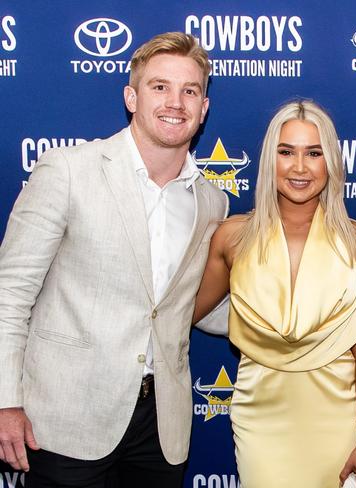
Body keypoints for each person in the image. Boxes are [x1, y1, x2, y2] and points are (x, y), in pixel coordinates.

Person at [0, 32, 228, 487]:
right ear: (131, 96)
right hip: (67, 420)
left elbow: (191, 305)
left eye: (190, 91)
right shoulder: (67, 170)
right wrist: (6, 400)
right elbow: (11, 294)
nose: (175, 102)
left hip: (161, 425)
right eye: (159, 87)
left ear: (204, 108)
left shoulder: (212, 202)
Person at [193, 100, 356, 488]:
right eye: (286, 152)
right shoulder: (232, 238)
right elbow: (180, 315)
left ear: (330, 161)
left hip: (337, 419)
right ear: (269, 160)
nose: (300, 167)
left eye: (314, 153)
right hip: (260, 420)